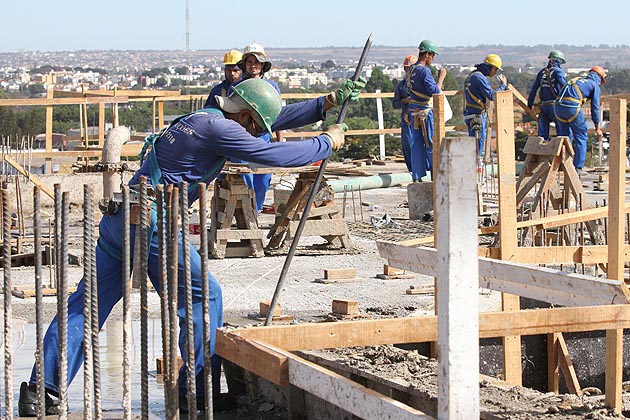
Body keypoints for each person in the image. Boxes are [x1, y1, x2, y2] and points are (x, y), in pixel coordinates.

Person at [17, 77, 366, 417]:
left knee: (89, 303)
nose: (253, 131)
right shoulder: (224, 130)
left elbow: (270, 119)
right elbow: (270, 153)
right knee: (204, 296)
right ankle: (196, 394)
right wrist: (326, 143)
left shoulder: (205, 118)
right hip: (155, 226)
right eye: (253, 125)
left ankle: (41, 390)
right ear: (244, 118)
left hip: (121, 217)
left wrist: (323, 105)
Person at [235, 42, 284, 212]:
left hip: (263, 137)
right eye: (250, 62)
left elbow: (278, 116)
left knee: (263, 177)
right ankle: (247, 212)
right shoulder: (238, 87)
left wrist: (280, 141)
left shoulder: (272, 88)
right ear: (245, 65)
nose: (253, 65)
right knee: (244, 176)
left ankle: (257, 209)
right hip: (242, 138)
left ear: (262, 65)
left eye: (256, 62)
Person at [406, 40, 446, 182]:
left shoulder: (411, 70)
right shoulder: (424, 71)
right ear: (427, 54)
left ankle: (417, 177)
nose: (433, 58)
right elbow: (435, 91)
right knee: (430, 143)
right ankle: (436, 176)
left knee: (416, 144)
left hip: (413, 110)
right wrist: (441, 78)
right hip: (424, 112)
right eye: (433, 55)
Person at [554, 66, 606, 173]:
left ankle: (562, 165)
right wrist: (597, 127)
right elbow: (595, 107)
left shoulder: (576, 80)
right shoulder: (594, 85)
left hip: (558, 108)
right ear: (599, 78)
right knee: (581, 135)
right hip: (572, 108)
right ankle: (578, 167)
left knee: (564, 137)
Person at [463, 54, 508, 164]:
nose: (495, 72)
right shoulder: (480, 78)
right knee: (478, 144)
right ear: (489, 67)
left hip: (469, 114)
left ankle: (473, 170)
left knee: (473, 144)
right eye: (495, 69)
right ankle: (476, 171)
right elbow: (492, 95)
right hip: (477, 115)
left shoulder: (472, 75)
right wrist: (503, 85)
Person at [527, 50, 568, 140]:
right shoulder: (558, 72)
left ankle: (542, 152)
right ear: (559, 61)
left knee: (542, 138)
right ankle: (562, 153)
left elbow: (533, 90)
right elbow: (565, 87)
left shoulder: (542, 72)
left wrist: (529, 106)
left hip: (543, 107)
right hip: (555, 107)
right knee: (562, 136)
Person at [392, 54, 416, 172]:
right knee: (408, 147)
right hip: (407, 122)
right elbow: (395, 104)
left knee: (423, 146)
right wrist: (404, 101)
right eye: (408, 68)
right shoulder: (401, 86)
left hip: (420, 120)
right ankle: (412, 171)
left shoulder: (421, 84)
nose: (409, 71)